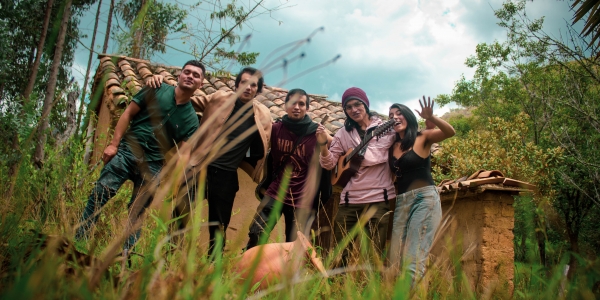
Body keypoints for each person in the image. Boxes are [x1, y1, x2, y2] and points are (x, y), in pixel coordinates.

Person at [75, 60, 205, 252]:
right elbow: (128, 113)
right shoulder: (157, 89)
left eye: (196, 75)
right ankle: (78, 242)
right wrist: (113, 145)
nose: (190, 76)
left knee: (137, 215)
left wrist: (175, 183)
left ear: (200, 84)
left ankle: (125, 259)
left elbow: (184, 154)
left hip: (154, 166)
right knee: (99, 194)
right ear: (179, 75)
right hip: (127, 152)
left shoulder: (192, 119)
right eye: (187, 72)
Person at [153, 67, 272, 256]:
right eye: (244, 83)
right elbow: (185, 98)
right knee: (179, 215)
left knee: (219, 226)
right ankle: (169, 257)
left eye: (253, 85)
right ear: (237, 84)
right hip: (199, 168)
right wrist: (162, 84)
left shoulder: (263, 115)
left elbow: (271, 138)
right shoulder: (218, 98)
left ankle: (212, 267)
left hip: (226, 177)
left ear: (258, 90)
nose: (248, 88)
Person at [316, 87, 396, 265]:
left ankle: (371, 291)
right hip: (349, 200)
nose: (354, 109)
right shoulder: (342, 133)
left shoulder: (385, 128)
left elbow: (388, 154)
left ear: (366, 104)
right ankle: (335, 288)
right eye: (348, 107)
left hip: (378, 198)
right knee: (339, 251)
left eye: (357, 104)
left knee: (373, 253)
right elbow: (328, 164)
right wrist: (323, 145)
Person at [244, 89, 332, 250]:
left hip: (301, 201)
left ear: (307, 108)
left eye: (301, 104)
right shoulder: (276, 128)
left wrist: (324, 143)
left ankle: (287, 274)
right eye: (292, 103)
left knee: (293, 246)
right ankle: (246, 270)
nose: (296, 107)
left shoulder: (317, 133)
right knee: (257, 233)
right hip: (275, 193)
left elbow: (335, 156)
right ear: (285, 106)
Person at [387, 97, 455, 284]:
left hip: (424, 199)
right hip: (402, 202)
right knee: (395, 259)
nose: (395, 117)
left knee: (412, 260)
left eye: (399, 113)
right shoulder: (391, 146)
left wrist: (432, 117)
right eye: (391, 115)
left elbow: (450, 132)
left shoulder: (422, 136)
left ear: (408, 117)